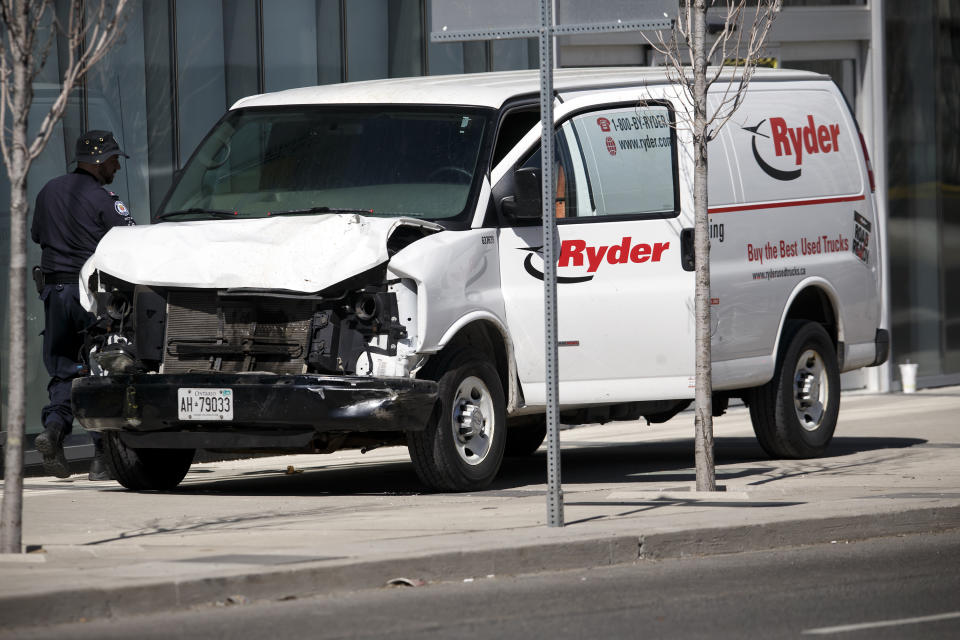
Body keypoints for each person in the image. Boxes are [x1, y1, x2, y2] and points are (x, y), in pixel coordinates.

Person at [31, 130, 135, 481]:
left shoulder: (48, 191)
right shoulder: (104, 198)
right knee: (97, 369)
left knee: (63, 369)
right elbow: (128, 240)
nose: (117, 167)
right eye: (114, 160)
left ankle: (55, 431)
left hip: (54, 293)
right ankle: (102, 457)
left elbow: (37, 235)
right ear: (100, 161)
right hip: (89, 294)